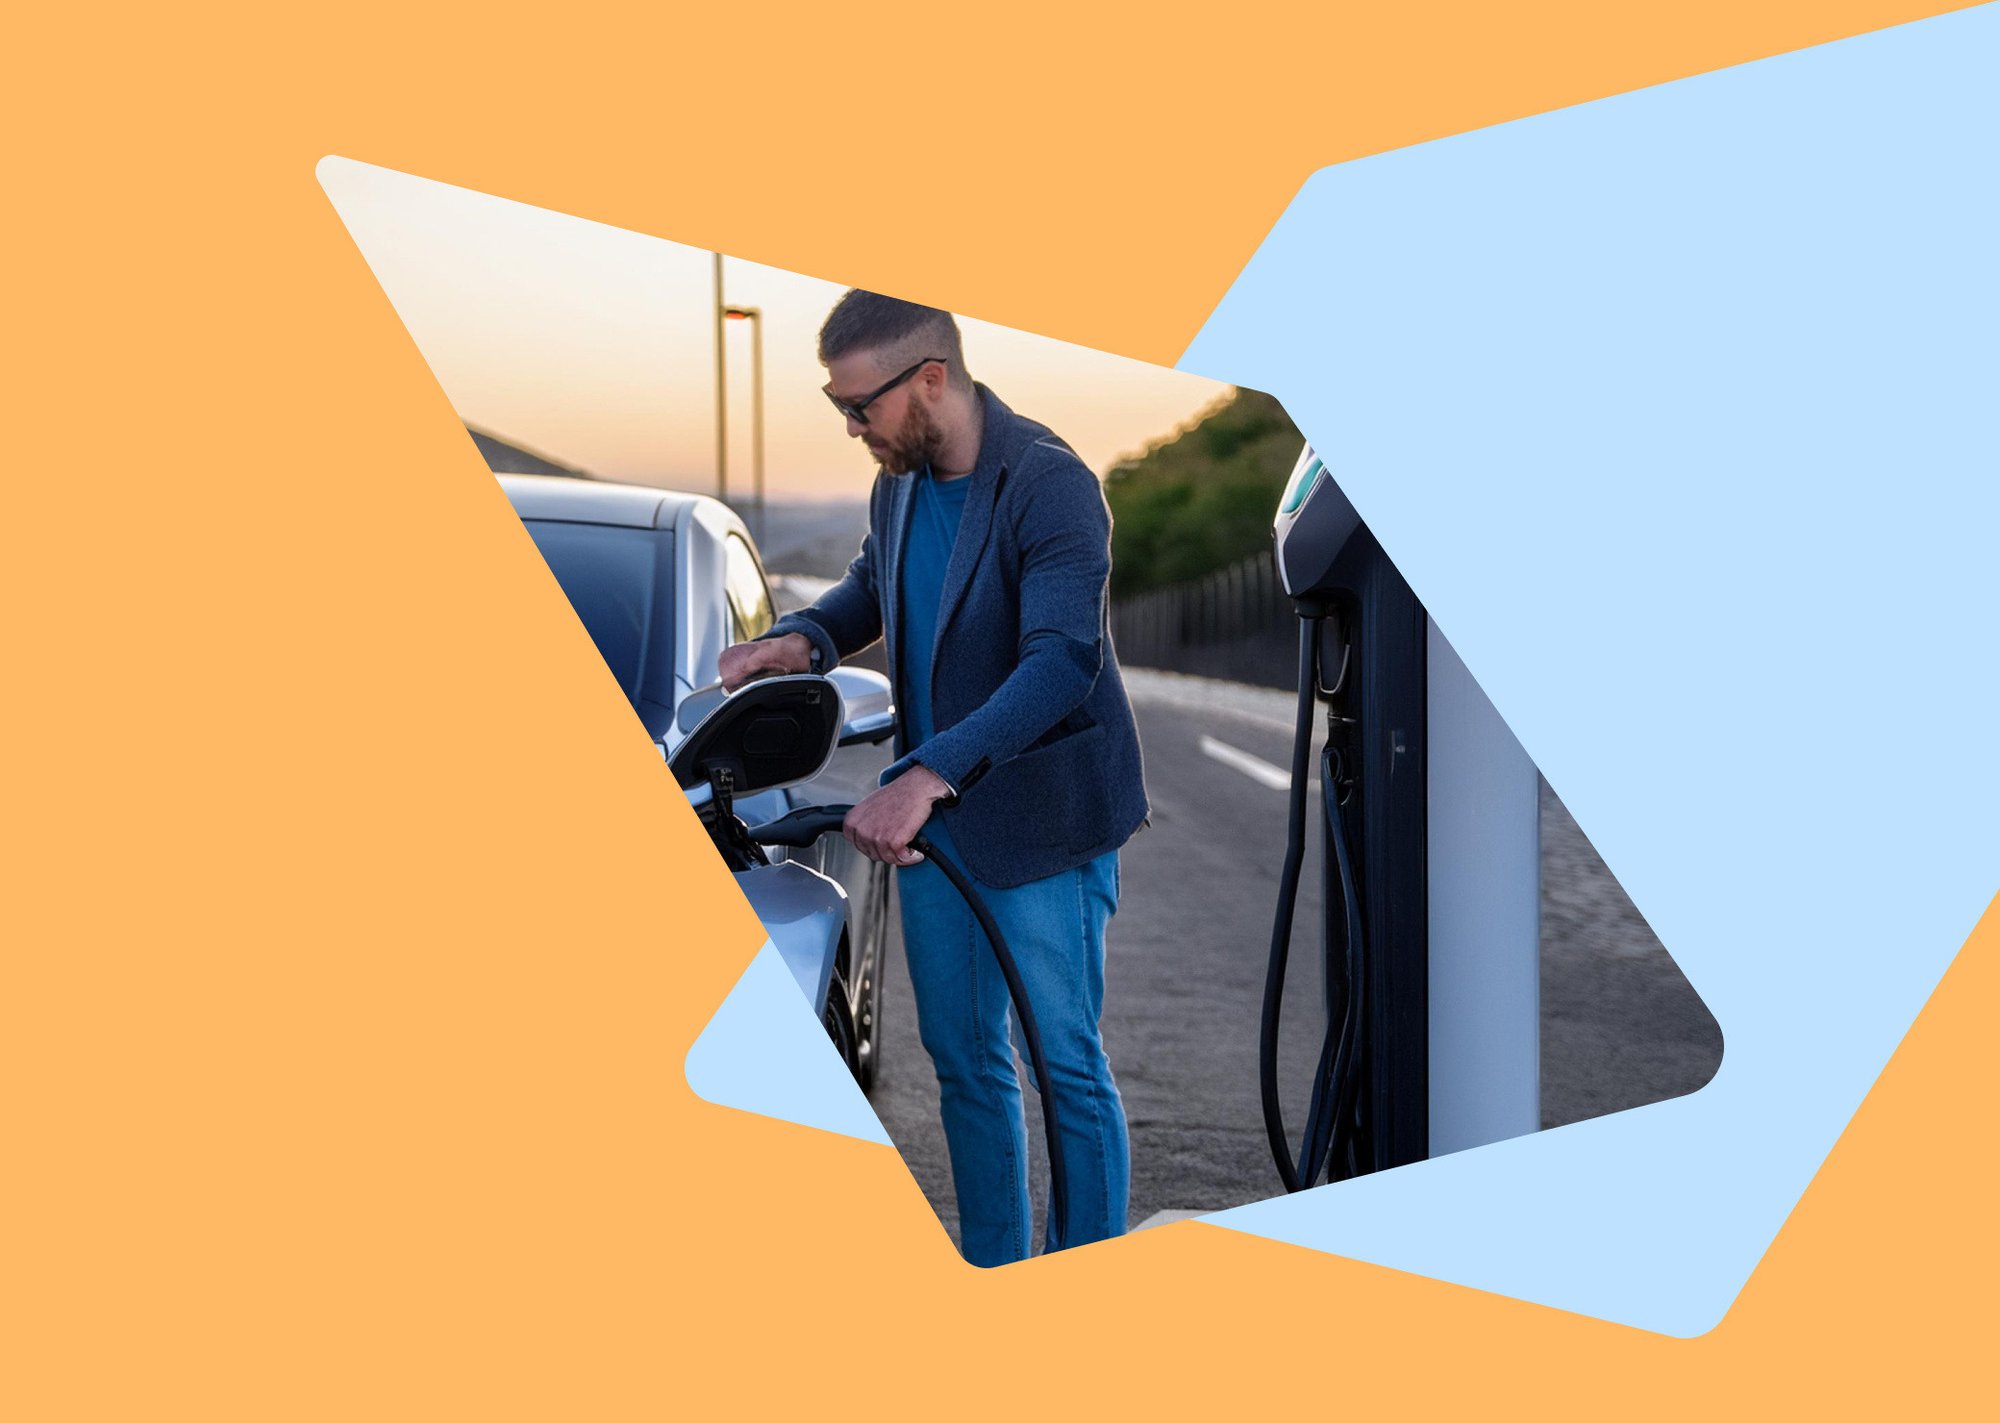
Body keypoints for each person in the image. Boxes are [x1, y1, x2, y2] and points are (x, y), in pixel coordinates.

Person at [717, 290, 1148, 1265]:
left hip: (1037, 817)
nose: (849, 424)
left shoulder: (1049, 483)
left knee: (1063, 1068)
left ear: (930, 381)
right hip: (933, 823)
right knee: (962, 1063)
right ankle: (995, 1265)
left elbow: (1058, 660)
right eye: (837, 404)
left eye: (859, 404)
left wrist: (927, 774)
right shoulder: (899, 479)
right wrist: (803, 637)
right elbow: (875, 583)